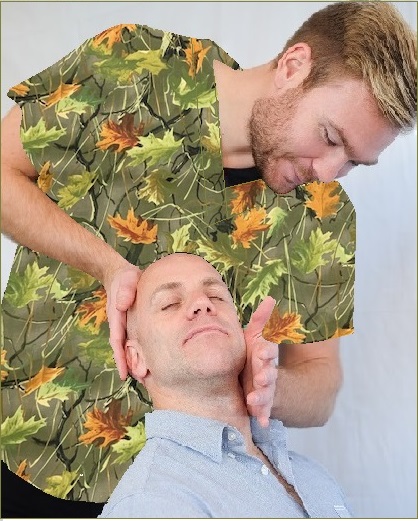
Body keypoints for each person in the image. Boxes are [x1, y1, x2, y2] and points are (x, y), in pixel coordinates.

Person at [0, 2, 415, 517]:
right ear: (293, 65)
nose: (330, 171)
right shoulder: (136, 63)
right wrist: (105, 265)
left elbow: (322, 384)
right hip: (25, 451)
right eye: (331, 137)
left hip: (199, 493)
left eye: (355, 160)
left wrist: (270, 385)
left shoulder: (326, 217)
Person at [100, 252, 352, 518]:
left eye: (216, 296)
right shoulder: (152, 504)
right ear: (135, 359)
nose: (202, 303)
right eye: (170, 303)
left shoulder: (314, 479)